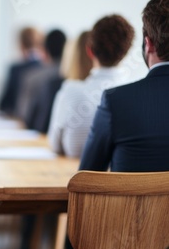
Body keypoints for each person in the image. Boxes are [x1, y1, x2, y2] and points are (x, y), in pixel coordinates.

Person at [68, 0, 169, 249]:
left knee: (83, 232)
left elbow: (88, 178)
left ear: (148, 44)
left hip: (130, 242)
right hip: (162, 244)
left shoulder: (117, 100)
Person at [48, 15, 134, 158]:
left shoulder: (70, 90)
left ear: (90, 51)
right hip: (123, 179)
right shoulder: (135, 93)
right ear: (125, 52)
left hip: (73, 177)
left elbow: (55, 145)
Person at [17, 29, 67, 133]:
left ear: (45, 50)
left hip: (38, 137)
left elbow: (24, 115)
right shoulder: (74, 77)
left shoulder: (32, 77)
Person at [0, 26, 44, 116]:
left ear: (21, 44)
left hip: (17, 118)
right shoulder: (44, 67)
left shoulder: (16, 69)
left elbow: (4, 103)